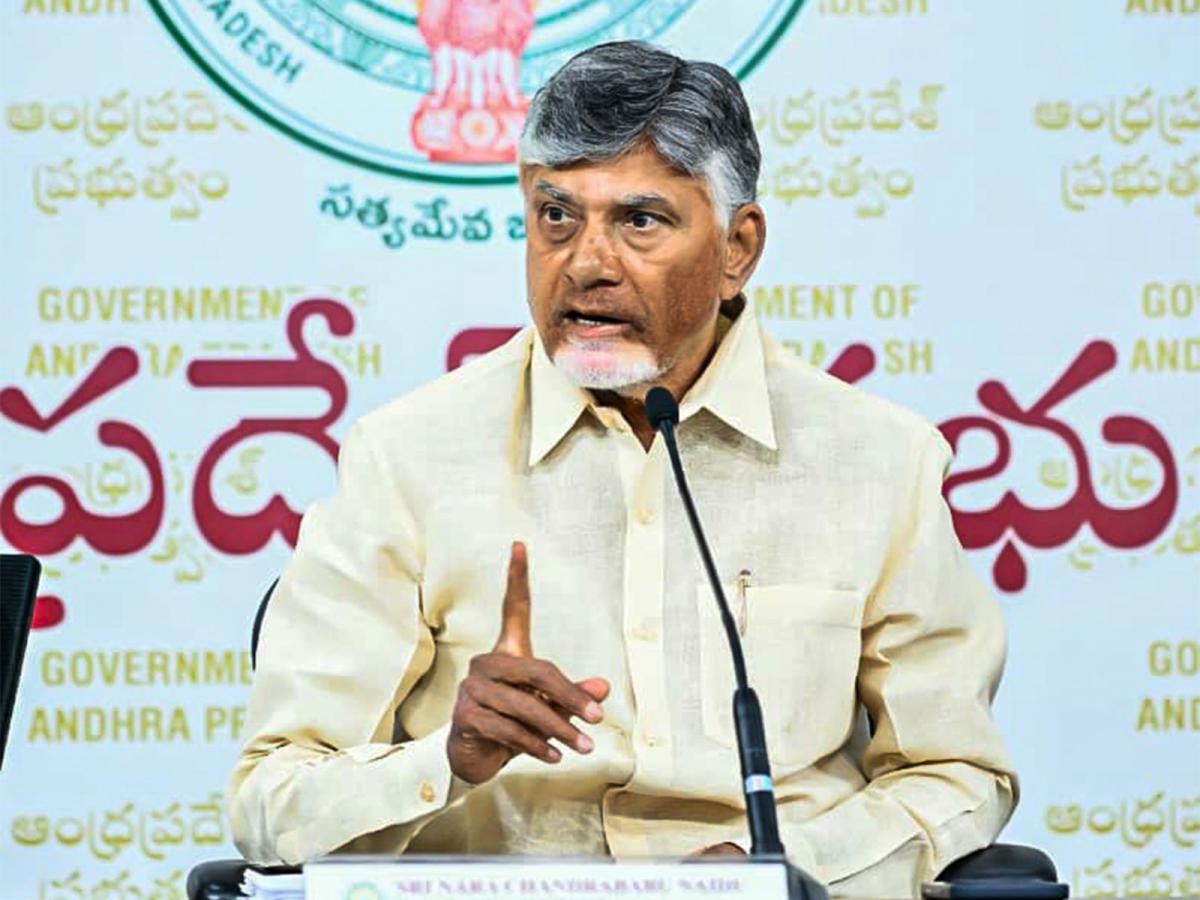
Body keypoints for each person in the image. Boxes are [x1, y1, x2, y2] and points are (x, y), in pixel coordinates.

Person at [228, 40, 1017, 896]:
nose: (586, 263)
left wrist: (789, 873)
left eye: (640, 221)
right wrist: (444, 761)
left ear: (738, 248)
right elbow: (269, 805)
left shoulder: (879, 463)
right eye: (556, 216)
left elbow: (955, 772)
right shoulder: (408, 458)